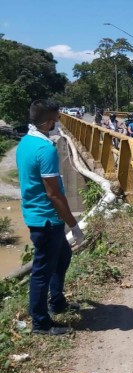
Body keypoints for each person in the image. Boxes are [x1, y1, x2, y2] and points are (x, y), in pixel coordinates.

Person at [16, 100, 85, 335]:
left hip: (38, 215)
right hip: (46, 219)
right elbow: (54, 194)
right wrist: (74, 226)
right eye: (57, 120)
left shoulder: (26, 142)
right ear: (47, 122)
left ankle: (57, 302)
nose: (58, 125)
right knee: (41, 272)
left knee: (63, 256)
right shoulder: (45, 149)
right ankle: (40, 323)